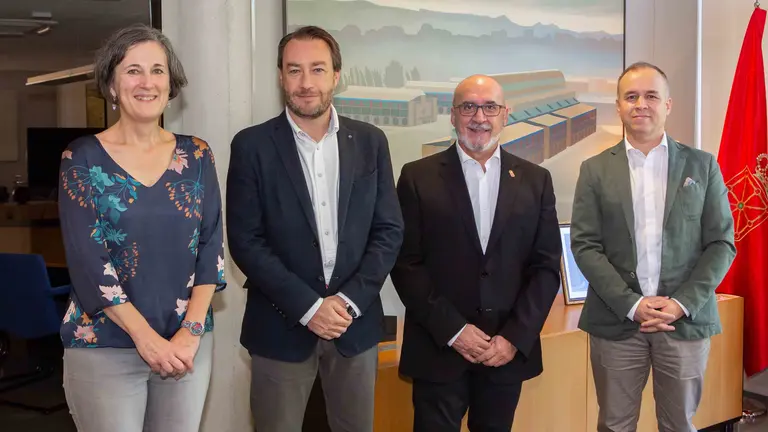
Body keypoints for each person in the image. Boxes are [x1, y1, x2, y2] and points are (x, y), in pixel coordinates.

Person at [226, 25, 403, 432]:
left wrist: (347, 302)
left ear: (336, 76)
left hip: (354, 326)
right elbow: (246, 241)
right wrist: (309, 307)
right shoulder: (251, 146)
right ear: (280, 76)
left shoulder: (371, 141)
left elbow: (389, 229)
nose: (306, 83)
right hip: (279, 326)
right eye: (294, 70)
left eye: (318, 69)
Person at [58, 24, 226, 431]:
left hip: (186, 347)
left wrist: (190, 332)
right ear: (112, 85)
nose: (146, 82)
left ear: (171, 84)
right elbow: (89, 263)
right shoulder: (81, 158)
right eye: (133, 70)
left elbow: (211, 249)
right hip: (106, 347)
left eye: (157, 70)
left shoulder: (198, 154)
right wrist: (146, 339)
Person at [570, 61, 736, 432]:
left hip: (684, 323)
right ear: (618, 106)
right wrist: (632, 305)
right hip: (616, 323)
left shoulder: (703, 165)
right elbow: (585, 245)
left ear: (668, 105)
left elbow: (721, 242)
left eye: (650, 96)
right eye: (631, 96)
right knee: (614, 425)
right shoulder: (594, 170)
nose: (640, 104)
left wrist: (680, 304)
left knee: (680, 424)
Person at [390, 74, 562, 431]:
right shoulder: (417, 177)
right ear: (452, 115)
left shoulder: (535, 180)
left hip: (505, 353)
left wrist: (515, 337)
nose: (479, 117)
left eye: (490, 107)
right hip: (439, 349)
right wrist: (455, 331)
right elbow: (406, 264)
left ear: (505, 114)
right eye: (468, 106)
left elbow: (545, 268)